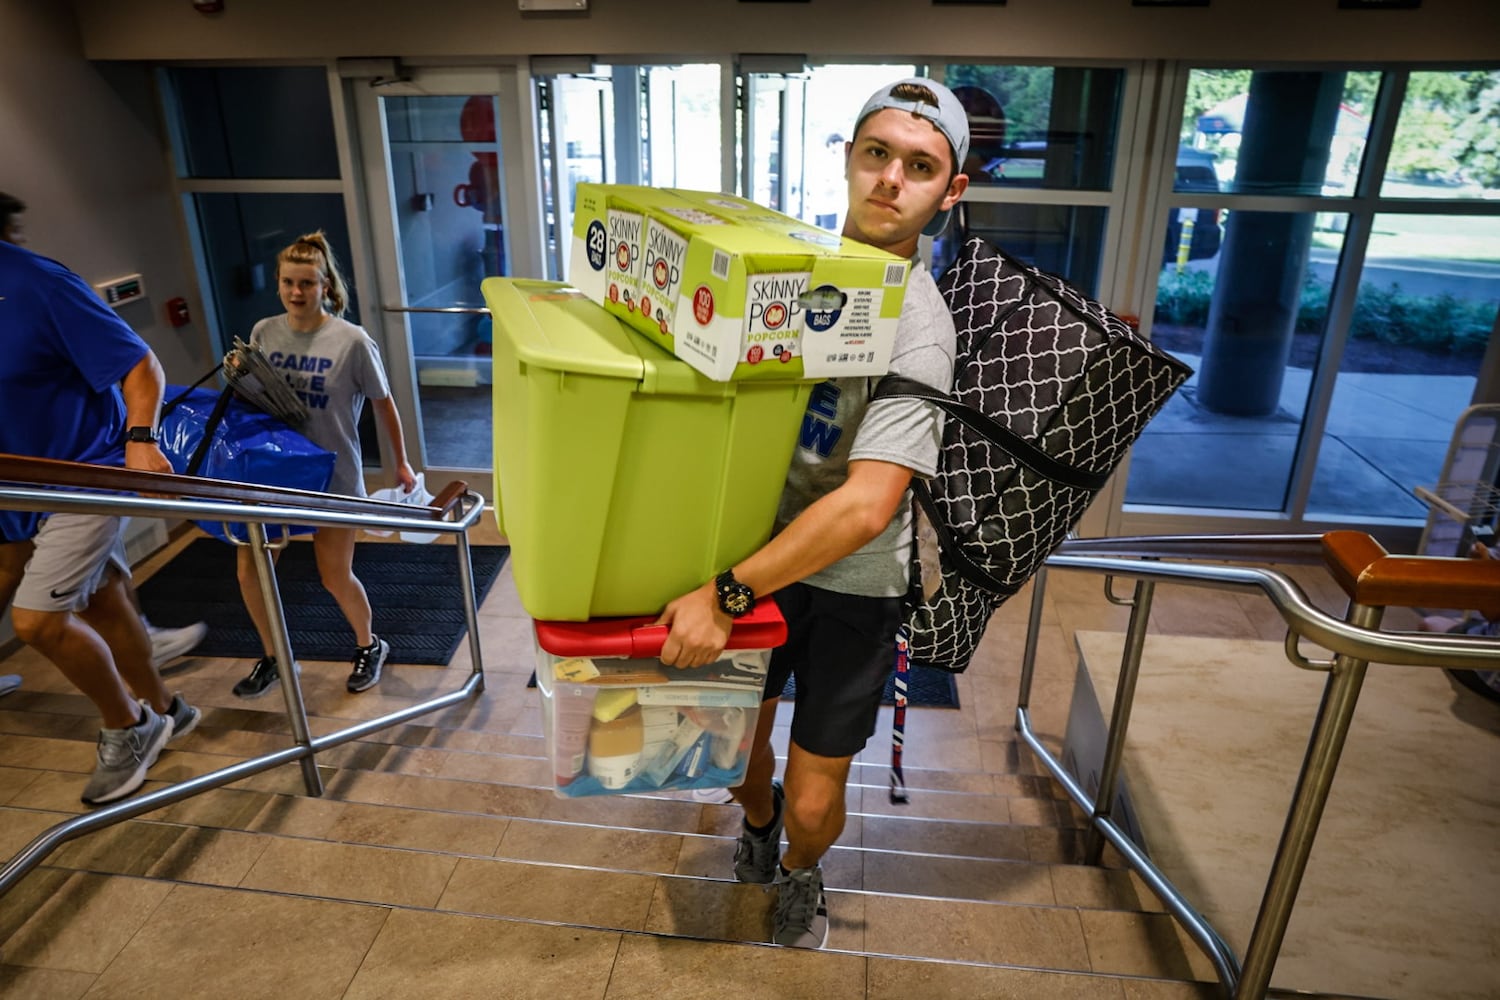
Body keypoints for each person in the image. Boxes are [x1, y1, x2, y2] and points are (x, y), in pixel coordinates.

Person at [656, 78, 969, 949]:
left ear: (950, 191)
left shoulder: (921, 329)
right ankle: (757, 831)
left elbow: (868, 506)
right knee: (732, 755)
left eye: (920, 166)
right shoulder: (780, 275)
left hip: (852, 585)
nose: (890, 180)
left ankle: (801, 869)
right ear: (848, 159)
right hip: (752, 550)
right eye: (877, 154)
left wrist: (723, 594)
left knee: (818, 794)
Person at [0, 230, 202, 806]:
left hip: (84, 475)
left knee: (37, 622)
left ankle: (130, 725)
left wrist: (141, 440)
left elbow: (141, 364)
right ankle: (167, 709)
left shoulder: (36, 283)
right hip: (17, 485)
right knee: (102, 599)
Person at [231, 231, 416, 699]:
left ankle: (368, 644)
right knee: (251, 570)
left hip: (332, 475)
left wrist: (402, 464)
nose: (297, 292)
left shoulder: (351, 341)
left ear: (326, 286)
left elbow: (384, 403)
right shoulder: (263, 332)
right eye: (289, 282)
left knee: (334, 574)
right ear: (278, 284)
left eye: (308, 284)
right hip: (274, 474)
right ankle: (274, 656)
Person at [1417, 540, 1500, 704]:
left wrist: (1482, 569)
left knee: (1429, 624)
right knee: (1461, 622)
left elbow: (1492, 610)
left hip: (1492, 668)